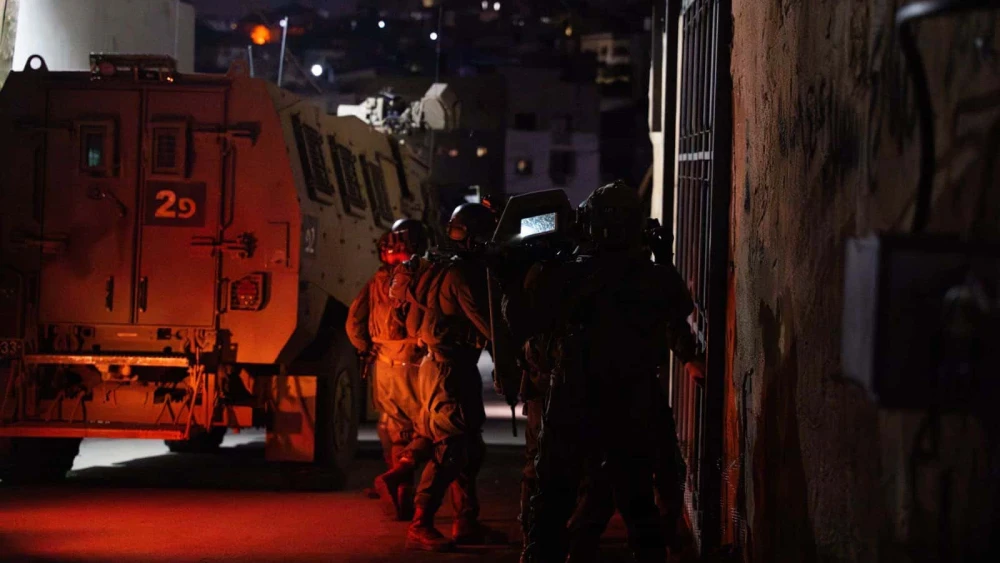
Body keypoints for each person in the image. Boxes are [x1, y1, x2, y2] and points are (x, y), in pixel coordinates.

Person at [521, 181, 705, 563]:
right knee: (638, 501)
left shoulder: (567, 274)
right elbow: (678, 305)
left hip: (574, 394)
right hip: (633, 397)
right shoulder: (654, 277)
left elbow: (521, 319)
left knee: (554, 498)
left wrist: (538, 261)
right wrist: (661, 256)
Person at [379, 203, 507, 552]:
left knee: (468, 445)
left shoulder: (439, 265)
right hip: (449, 370)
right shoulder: (461, 275)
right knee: (452, 445)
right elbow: (488, 325)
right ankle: (421, 522)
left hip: (439, 367)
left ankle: (464, 520)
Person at [345, 221, 429, 521]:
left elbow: (354, 322)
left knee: (394, 430)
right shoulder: (424, 276)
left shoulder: (376, 281)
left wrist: (366, 348)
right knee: (429, 431)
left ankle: (399, 499)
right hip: (418, 362)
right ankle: (408, 492)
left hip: (383, 361)